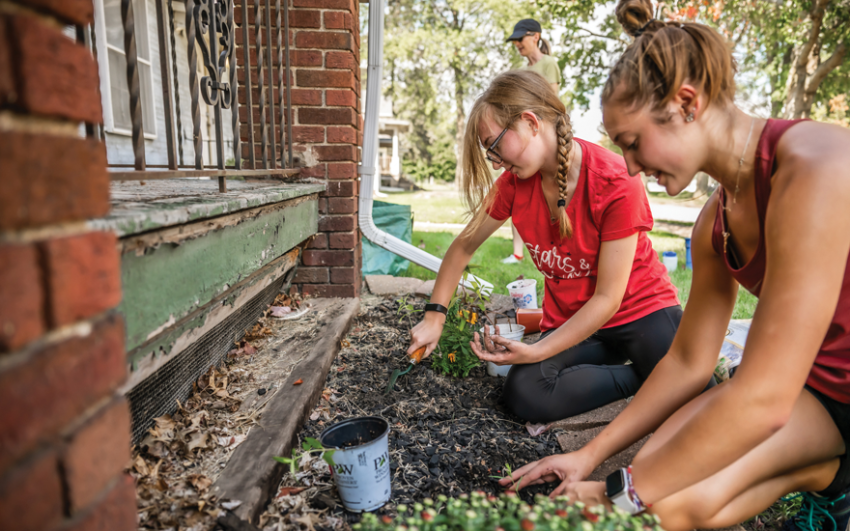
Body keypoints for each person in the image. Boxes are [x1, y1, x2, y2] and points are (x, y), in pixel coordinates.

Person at [500, 2, 850, 530]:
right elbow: (688, 363)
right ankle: (833, 479)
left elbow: (764, 396)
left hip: (809, 393)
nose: (632, 166)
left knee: (671, 504)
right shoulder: (715, 222)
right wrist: (591, 460)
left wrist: (620, 496)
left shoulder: (814, 164)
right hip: (811, 387)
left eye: (634, 144)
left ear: (686, 103)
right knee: (657, 483)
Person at [407, 69, 687, 424]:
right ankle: (648, 378)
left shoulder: (615, 180)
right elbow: (462, 247)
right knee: (525, 394)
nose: (494, 161)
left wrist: (537, 348)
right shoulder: (513, 185)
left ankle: (662, 375)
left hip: (639, 311)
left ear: (530, 122)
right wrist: (435, 317)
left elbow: (607, 299)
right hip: (574, 322)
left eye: (495, 144)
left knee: (699, 389)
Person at [502, 18, 562, 264]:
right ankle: (518, 252)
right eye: (515, 40)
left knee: (551, 193)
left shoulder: (549, 64)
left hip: (543, 137)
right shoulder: (520, 72)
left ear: (535, 36)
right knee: (520, 194)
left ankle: (555, 247)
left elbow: (552, 103)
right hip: (523, 137)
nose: (517, 44)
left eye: (520, 39)